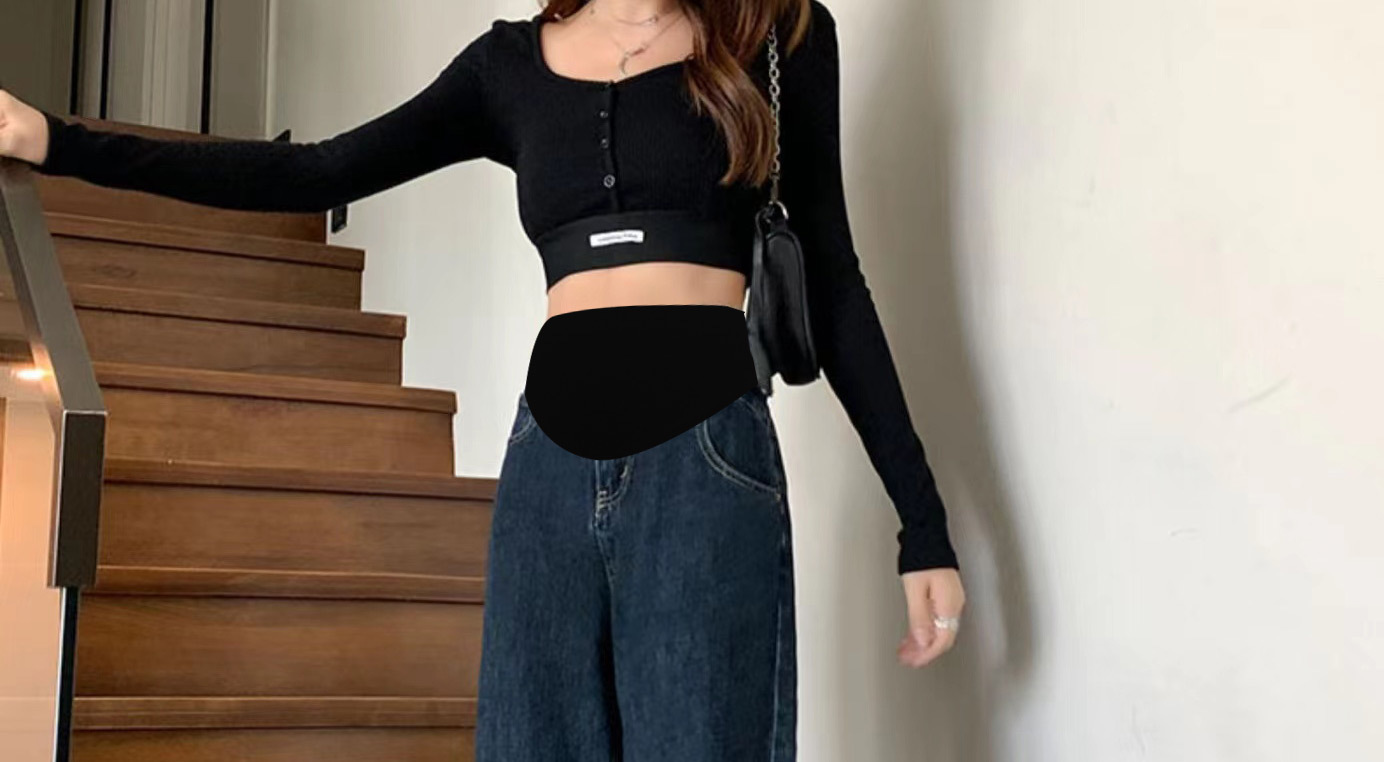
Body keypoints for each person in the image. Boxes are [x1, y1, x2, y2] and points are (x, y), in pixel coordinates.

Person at [0, 0, 965, 758]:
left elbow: (833, 281)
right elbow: (316, 172)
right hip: (547, 469)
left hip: (707, 460)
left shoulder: (776, 32)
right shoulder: (508, 66)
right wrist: (62, 142)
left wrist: (921, 523)